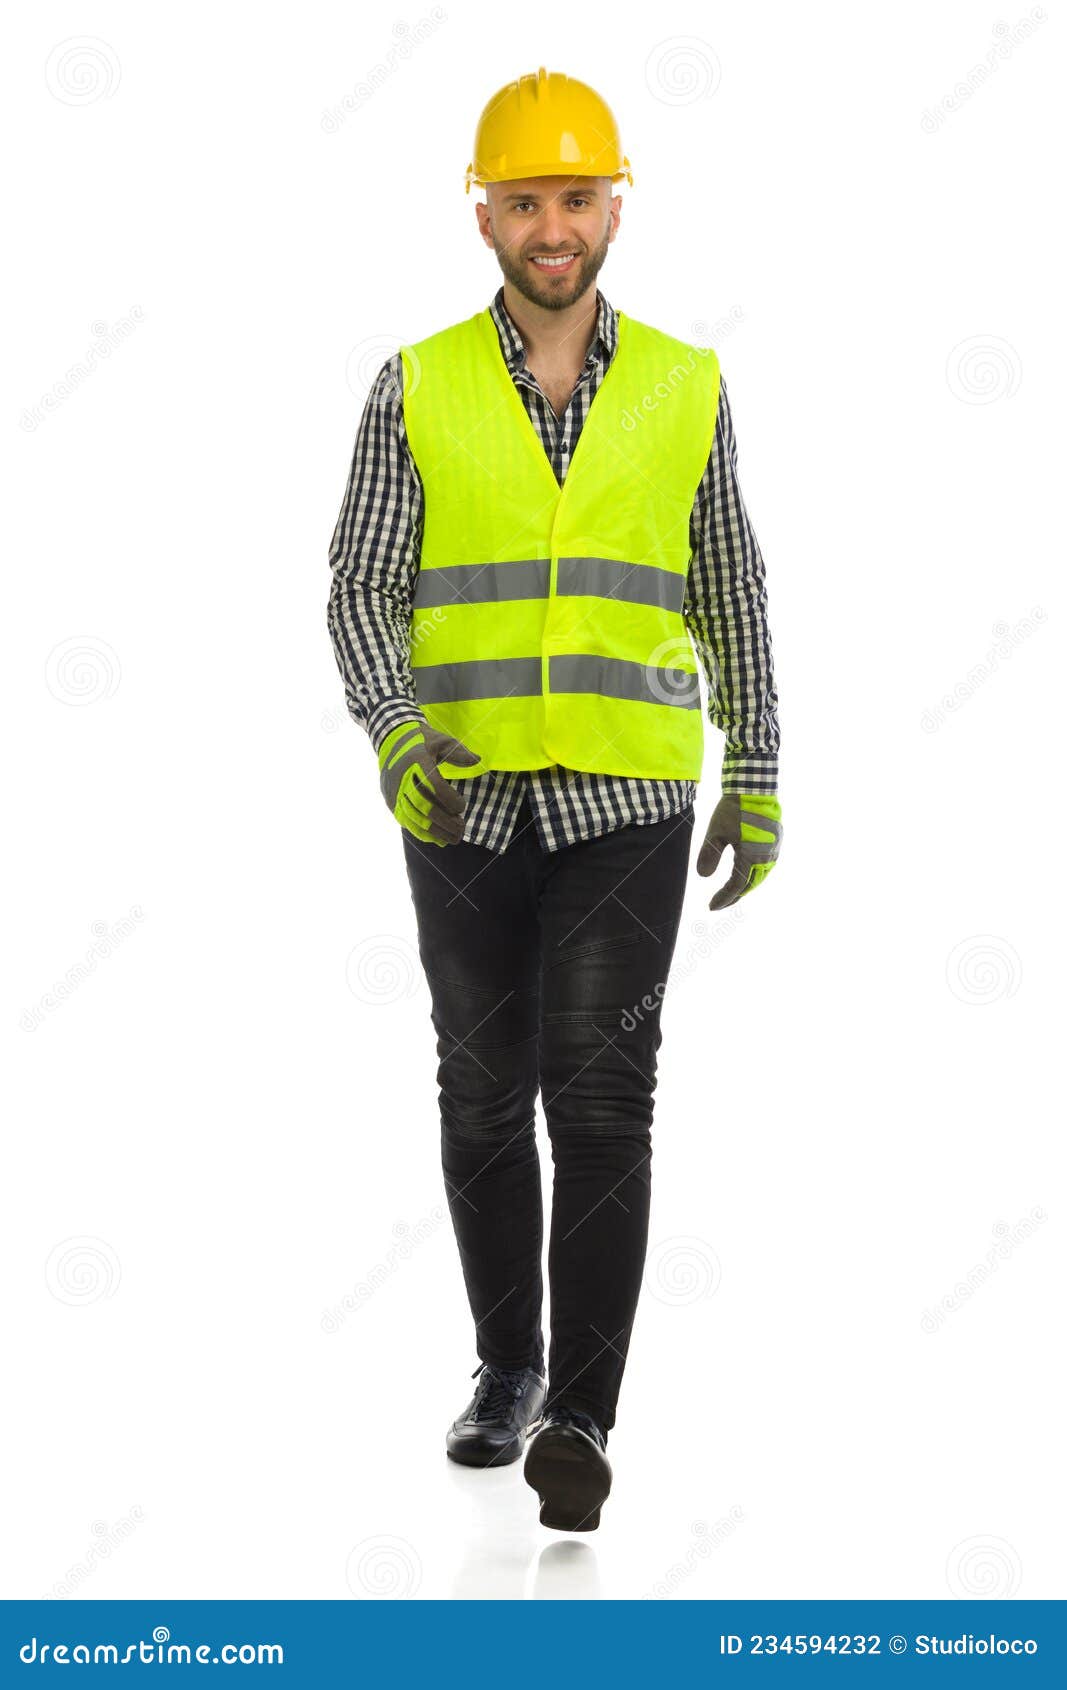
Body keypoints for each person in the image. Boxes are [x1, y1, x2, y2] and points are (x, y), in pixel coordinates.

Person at [327, 66, 782, 1533]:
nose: (551, 225)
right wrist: (397, 735)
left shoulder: (684, 383)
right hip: (458, 796)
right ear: (486, 215)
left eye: (575, 197)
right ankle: (507, 1365)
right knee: (480, 1087)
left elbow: (730, 589)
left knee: (600, 1093)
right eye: (524, 200)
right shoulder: (417, 381)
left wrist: (758, 769)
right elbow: (363, 588)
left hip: (627, 791)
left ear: (613, 205)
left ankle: (582, 1413)